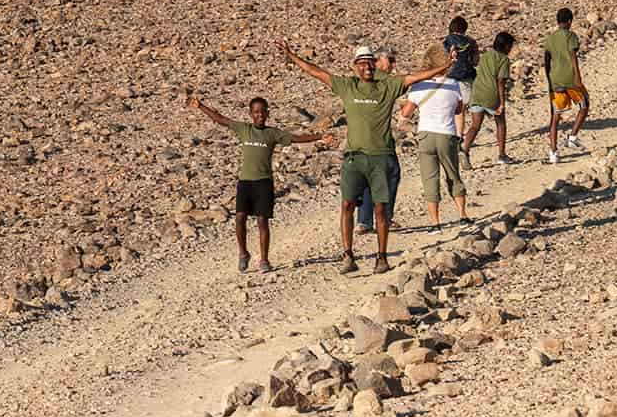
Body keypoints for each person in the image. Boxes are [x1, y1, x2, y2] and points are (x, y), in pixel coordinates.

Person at [276, 40, 454, 275]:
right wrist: (292, 55)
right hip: (354, 158)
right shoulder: (347, 86)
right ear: (355, 67)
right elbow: (317, 72)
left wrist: (444, 67)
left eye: (370, 63)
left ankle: (381, 257)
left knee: (381, 209)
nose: (367, 67)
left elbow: (414, 77)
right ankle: (348, 254)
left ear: (374, 65)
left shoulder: (388, 86)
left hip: (381, 157)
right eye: (362, 64)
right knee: (347, 204)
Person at [185, 95, 333, 273]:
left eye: (263, 111)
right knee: (240, 218)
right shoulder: (244, 129)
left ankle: (264, 259)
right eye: (256, 112)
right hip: (245, 182)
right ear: (251, 114)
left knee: (262, 221)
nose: (260, 115)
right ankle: (243, 254)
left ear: (268, 113)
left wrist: (319, 137)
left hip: (264, 183)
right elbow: (221, 119)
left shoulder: (272, 133)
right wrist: (201, 106)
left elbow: (295, 138)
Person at [399, 45, 469, 233]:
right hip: (447, 134)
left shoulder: (419, 86)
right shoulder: (454, 85)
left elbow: (405, 114)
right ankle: (462, 215)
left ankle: (435, 223)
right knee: (453, 175)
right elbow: (458, 109)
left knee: (430, 179)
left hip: (426, 135)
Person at [355, 46, 401, 235]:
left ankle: (364, 221)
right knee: (392, 174)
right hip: (381, 142)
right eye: (390, 59)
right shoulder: (383, 80)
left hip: (361, 139)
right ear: (378, 60)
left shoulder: (360, 80)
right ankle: (385, 217)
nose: (392, 64)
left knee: (366, 179)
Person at [461, 31, 516, 167]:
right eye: (510, 46)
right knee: (500, 123)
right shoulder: (504, 60)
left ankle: (465, 149)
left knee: (475, 126)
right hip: (491, 96)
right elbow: (501, 83)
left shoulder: (485, 55)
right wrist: (502, 103)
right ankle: (502, 155)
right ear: (506, 46)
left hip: (477, 93)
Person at [544, 8, 588, 164]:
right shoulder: (571, 36)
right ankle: (572, 137)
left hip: (555, 80)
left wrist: (550, 83)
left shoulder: (549, 39)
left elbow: (546, 62)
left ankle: (553, 153)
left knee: (555, 117)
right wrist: (578, 77)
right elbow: (573, 57)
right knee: (584, 105)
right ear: (569, 21)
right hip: (570, 79)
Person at [441, 16, 479, 141]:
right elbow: (475, 61)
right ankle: (459, 136)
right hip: (465, 78)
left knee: (448, 108)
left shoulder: (446, 42)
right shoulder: (471, 42)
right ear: (464, 28)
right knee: (461, 109)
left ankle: (447, 136)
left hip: (448, 78)